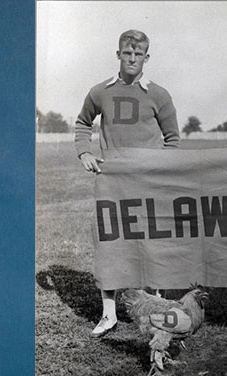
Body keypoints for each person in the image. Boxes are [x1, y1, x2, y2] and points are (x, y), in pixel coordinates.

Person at [74, 29, 181, 338]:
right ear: (118, 54)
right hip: (112, 183)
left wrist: (162, 168)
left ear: (146, 58)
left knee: (151, 244)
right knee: (109, 245)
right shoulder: (100, 92)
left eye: (138, 54)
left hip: (147, 184)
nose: (132, 58)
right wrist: (84, 152)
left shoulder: (158, 94)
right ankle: (109, 314)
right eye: (127, 53)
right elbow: (83, 123)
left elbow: (173, 138)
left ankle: (156, 309)